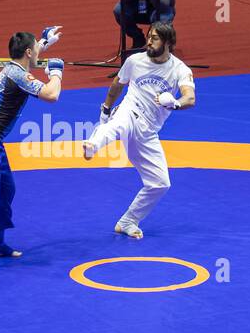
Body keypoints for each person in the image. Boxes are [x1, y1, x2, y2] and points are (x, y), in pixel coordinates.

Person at [81, 22, 195, 239]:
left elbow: (190, 97)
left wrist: (175, 103)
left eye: (155, 38)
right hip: (130, 110)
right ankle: (93, 145)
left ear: (169, 43)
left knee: (160, 184)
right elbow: (117, 84)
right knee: (118, 123)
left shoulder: (180, 69)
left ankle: (128, 220)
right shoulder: (134, 61)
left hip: (148, 132)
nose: (149, 41)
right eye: (149, 36)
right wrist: (105, 108)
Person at [0, 27, 62, 272]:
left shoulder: (14, 67)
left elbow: (31, 57)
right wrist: (57, 73)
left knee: (6, 189)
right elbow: (52, 94)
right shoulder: (18, 75)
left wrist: (44, 41)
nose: (38, 53)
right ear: (28, 52)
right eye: (36, 49)